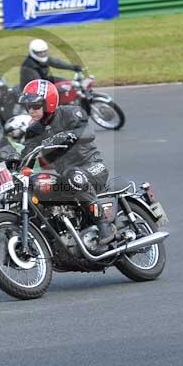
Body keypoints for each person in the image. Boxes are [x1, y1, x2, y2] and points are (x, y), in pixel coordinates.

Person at [18, 79, 113, 251]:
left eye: (35, 105)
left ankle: (103, 225)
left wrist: (68, 135)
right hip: (65, 175)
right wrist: (11, 162)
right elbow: (27, 154)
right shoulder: (33, 130)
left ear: (49, 102)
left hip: (91, 166)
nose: (31, 110)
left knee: (73, 176)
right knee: (35, 186)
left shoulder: (70, 113)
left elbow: (88, 133)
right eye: (27, 106)